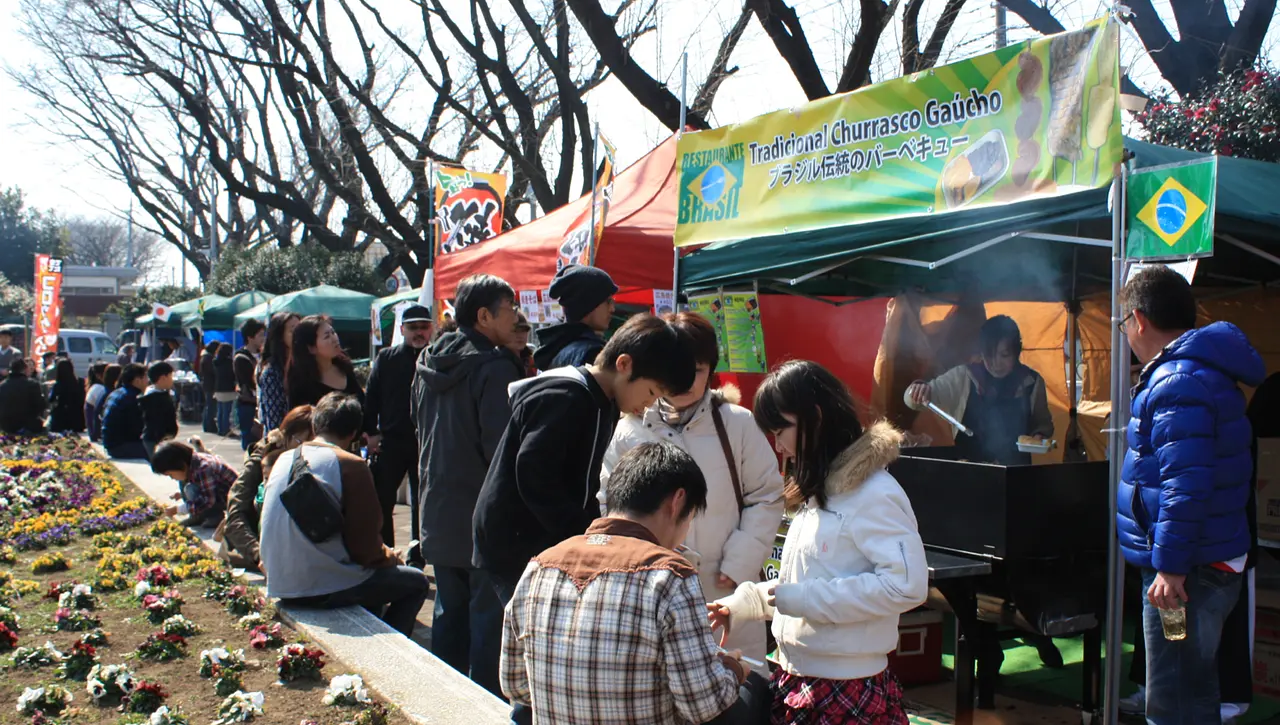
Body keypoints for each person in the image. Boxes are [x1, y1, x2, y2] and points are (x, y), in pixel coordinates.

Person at [709, 360, 929, 725]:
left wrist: (803, 600)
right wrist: (744, 604)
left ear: (816, 417)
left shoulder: (874, 493)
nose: (778, 445)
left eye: (781, 430)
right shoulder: (822, 492)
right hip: (802, 675)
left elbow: (906, 585)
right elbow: (809, 581)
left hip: (846, 685)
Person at [501, 442, 767, 725]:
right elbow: (702, 704)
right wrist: (732, 668)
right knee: (755, 692)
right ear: (677, 502)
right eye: (690, 518)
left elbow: (514, 685)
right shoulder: (670, 576)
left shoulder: (539, 567)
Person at [1116, 266, 1264, 725]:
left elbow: (1185, 487)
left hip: (1188, 572)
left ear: (1138, 321)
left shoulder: (1177, 380)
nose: (1124, 335)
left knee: (1173, 700)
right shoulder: (1199, 372)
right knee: (1193, 691)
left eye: (1122, 325)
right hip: (1201, 563)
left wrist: (1170, 566)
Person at [601, 312, 785, 672]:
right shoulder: (629, 429)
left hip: (726, 588)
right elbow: (609, 504)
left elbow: (767, 495)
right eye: (678, 369)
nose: (686, 380)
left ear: (711, 370)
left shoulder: (737, 423)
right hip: (650, 586)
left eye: (698, 369)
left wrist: (739, 560)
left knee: (737, 683)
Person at [475, 312, 697, 606]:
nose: (649, 404)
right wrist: (578, 535)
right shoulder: (566, 395)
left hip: (546, 540)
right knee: (523, 630)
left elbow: (584, 483)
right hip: (514, 541)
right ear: (624, 364)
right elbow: (533, 473)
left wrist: (594, 530)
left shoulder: (604, 403)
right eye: (651, 391)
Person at [411, 274, 525, 694]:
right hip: (481, 517)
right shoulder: (493, 368)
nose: (515, 318)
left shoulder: (425, 362)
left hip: (437, 510)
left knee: (449, 615)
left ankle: (443, 704)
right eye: (509, 309)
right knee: (486, 625)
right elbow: (502, 451)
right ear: (483, 316)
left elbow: (420, 432)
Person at [260, 393, 430, 636]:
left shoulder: (284, 458)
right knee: (415, 583)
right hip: (322, 587)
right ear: (353, 433)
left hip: (279, 580)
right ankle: (388, 651)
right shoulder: (350, 464)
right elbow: (366, 549)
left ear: (315, 424)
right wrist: (392, 558)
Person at [904, 314, 1053, 466]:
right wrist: (918, 389)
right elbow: (912, 400)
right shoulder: (963, 377)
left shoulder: (1032, 382)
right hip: (970, 472)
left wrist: (1039, 436)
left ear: (1017, 352)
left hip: (1017, 473)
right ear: (981, 353)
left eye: (1004, 355)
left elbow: (1043, 424)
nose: (996, 363)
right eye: (989, 356)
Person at [364, 304, 432, 551]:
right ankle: (386, 551)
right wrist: (370, 433)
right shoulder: (387, 358)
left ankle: (418, 552)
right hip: (391, 441)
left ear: (431, 328)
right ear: (402, 329)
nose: (419, 333)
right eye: (413, 327)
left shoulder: (437, 358)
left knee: (422, 502)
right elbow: (370, 398)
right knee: (382, 499)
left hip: (426, 441)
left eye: (423, 327)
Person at [222, 405, 315, 572]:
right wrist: (259, 554)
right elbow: (236, 509)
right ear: (286, 437)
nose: (307, 450)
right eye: (302, 443)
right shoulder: (264, 457)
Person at [532, 264, 617, 372]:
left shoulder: (555, 345)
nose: (612, 309)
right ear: (588, 304)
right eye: (608, 302)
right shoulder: (591, 353)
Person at [151, 440, 238, 528]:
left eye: (170, 474)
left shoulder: (203, 468)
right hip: (218, 493)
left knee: (189, 488)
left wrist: (179, 509)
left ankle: (215, 516)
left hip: (231, 499)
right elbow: (204, 485)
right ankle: (199, 516)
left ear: (180, 464)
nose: (171, 478)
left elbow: (208, 500)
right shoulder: (193, 463)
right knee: (187, 486)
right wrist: (182, 494)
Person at [287, 315, 364, 411]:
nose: (334, 338)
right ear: (311, 348)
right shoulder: (302, 385)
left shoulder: (345, 368)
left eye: (333, 332)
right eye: (327, 336)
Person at [257, 312, 301, 433]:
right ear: (280, 336)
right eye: (293, 331)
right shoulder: (271, 373)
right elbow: (273, 423)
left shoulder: (304, 366)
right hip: (282, 441)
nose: (299, 335)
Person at [100, 363, 149, 459]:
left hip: (111, 443)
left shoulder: (117, 392)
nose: (148, 381)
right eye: (146, 377)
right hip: (120, 447)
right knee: (162, 452)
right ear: (137, 380)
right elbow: (137, 429)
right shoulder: (133, 398)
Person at [235, 319, 267, 451]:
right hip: (248, 405)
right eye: (260, 335)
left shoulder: (263, 355)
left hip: (261, 404)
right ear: (250, 337)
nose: (263, 338)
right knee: (250, 443)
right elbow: (249, 383)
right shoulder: (241, 358)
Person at [140, 361, 179, 459]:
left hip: (155, 438)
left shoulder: (156, 394)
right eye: (171, 376)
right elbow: (157, 422)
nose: (172, 380)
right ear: (163, 378)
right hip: (156, 440)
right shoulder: (155, 399)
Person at [0, 358, 48, 434]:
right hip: (28, 425)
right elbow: (41, 405)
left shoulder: (2, 385)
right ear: (24, 369)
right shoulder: (32, 384)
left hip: (6, 426)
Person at [47, 358, 86, 433]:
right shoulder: (79, 382)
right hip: (77, 419)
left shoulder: (58, 385)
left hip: (61, 420)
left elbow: (51, 399)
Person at [212, 343, 237, 436]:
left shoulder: (215, 362)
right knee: (227, 411)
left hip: (218, 387)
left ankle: (221, 429)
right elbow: (232, 375)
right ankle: (226, 430)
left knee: (220, 410)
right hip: (228, 388)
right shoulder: (230, 362)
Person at [83, 362, 108, 442]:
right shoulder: (99, 389)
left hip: (94, 432)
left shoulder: (95, 387)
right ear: (99, 375)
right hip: (97, 433)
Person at [507, 310, 536, 378]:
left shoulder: (531, 362)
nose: (520, 335)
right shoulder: (497, 362)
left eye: (524, 330)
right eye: (515, 330)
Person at [200, 341, 219, 433]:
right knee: (210, 406)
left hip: (207, 384)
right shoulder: (208, 359)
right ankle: (209, 425)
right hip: (210, 385)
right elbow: (212, 371)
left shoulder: (205, 357)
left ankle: (207, 425)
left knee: (209, 405)